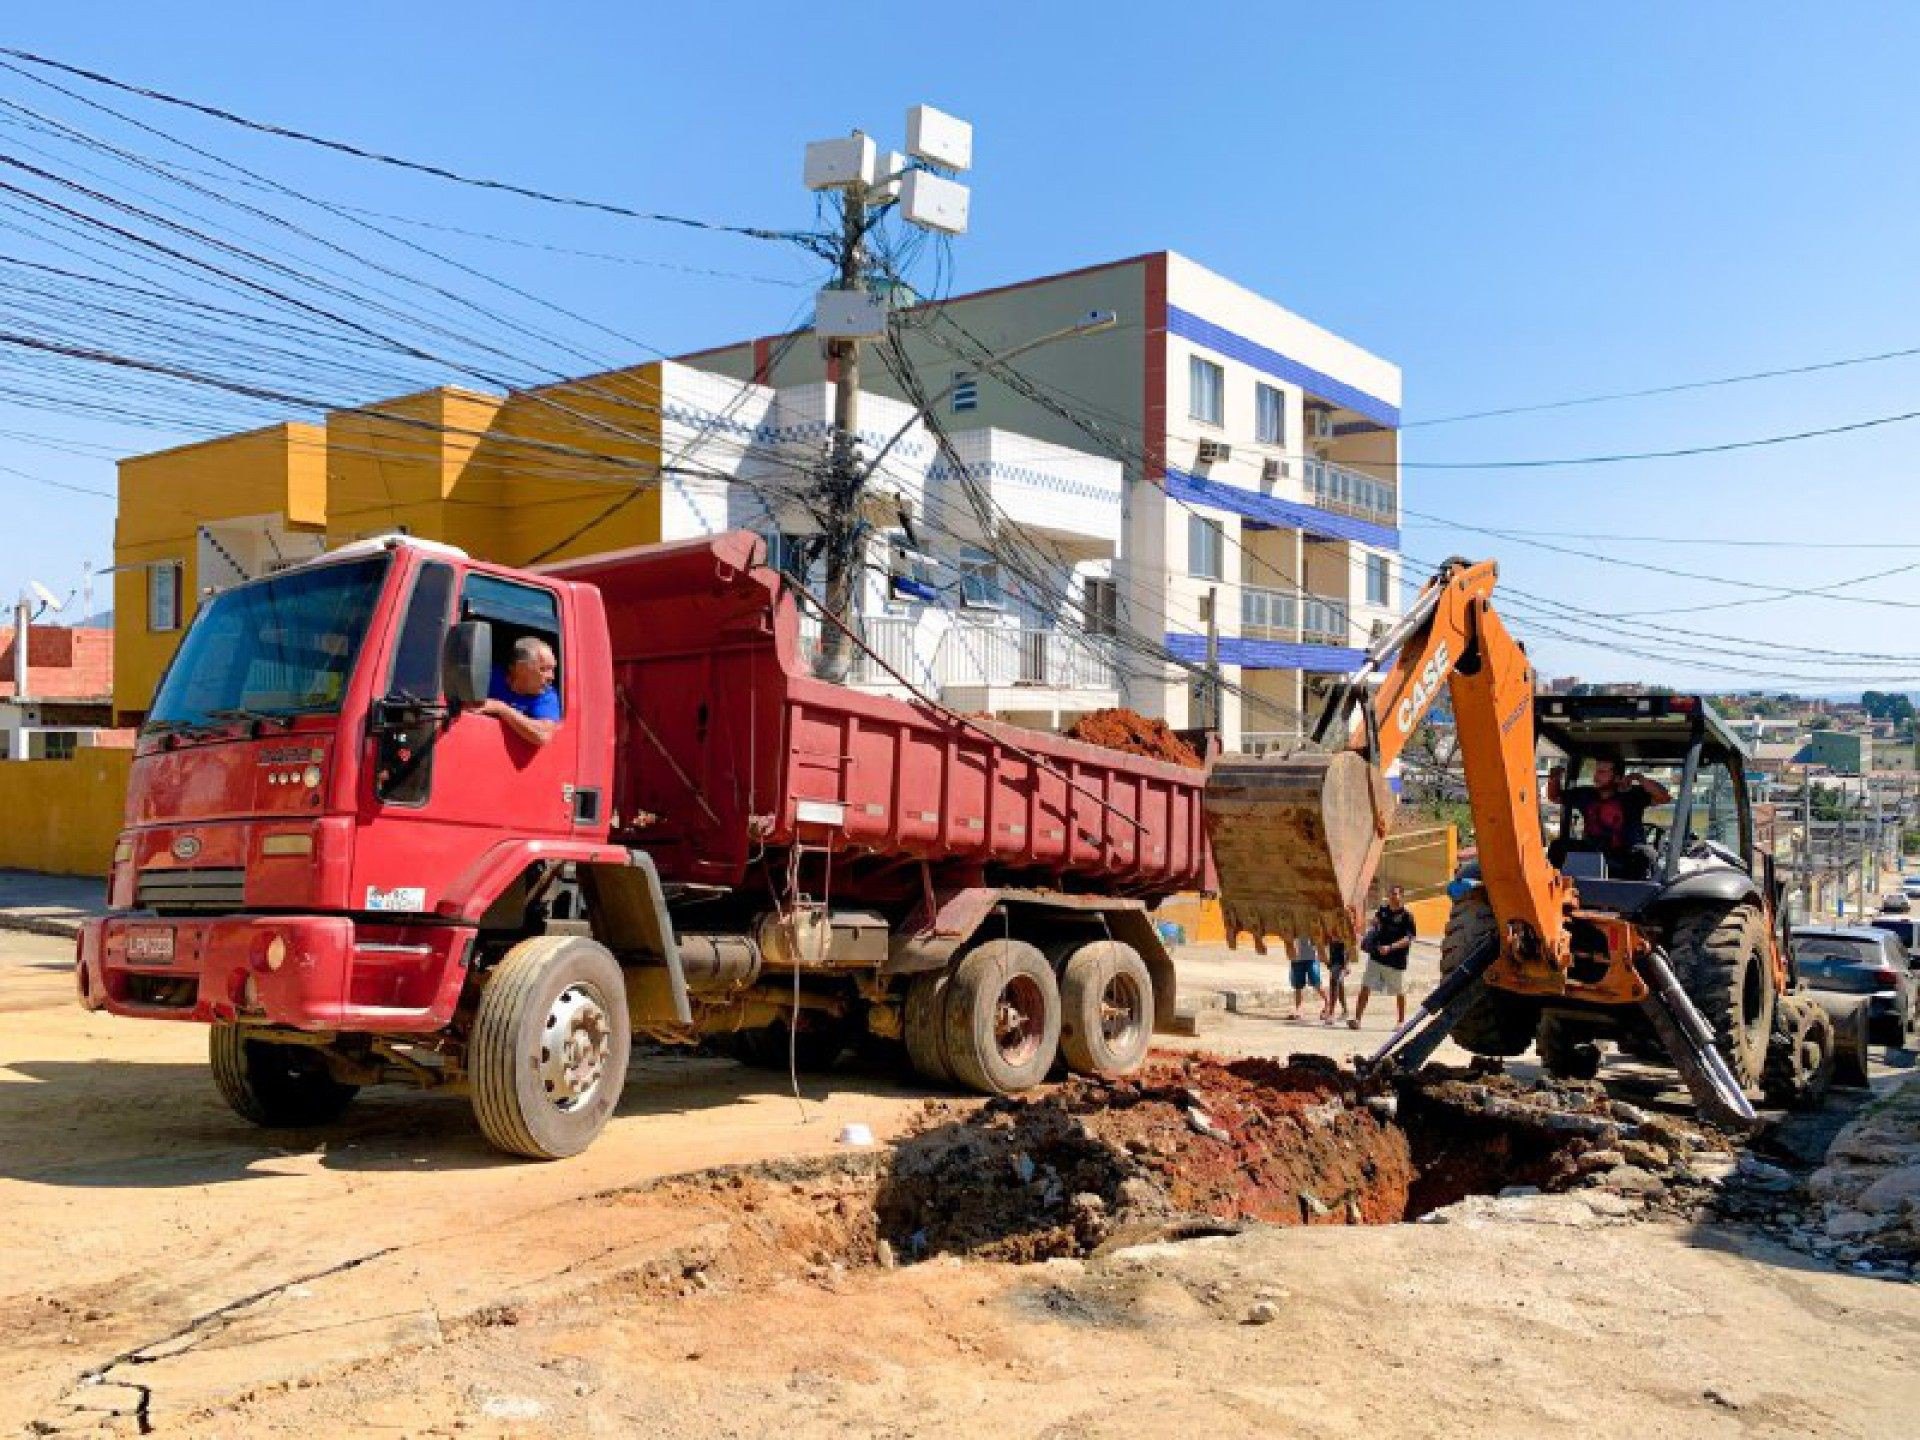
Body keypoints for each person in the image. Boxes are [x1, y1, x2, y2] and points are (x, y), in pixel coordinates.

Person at [1547, 758, 1672, 867]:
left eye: (1602, 772)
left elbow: (1664, 797)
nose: (1596, 776)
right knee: (1558, 847)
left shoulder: (1632, 795)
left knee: (1645, 854)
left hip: (1626, 854)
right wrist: (1554, 778)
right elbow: (1555, 797)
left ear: (1617, 777)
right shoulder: (1585, 794)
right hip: (1592, 851)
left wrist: (1639, 778)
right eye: (1596, 771)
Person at [1350, 885, 1417, 1030]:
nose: (1393, 897)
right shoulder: (1383, 911)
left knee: (1399, 991)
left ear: (1401, 896)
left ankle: (1400, 1022)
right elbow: (1375, 924)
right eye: (1391, 894)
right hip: (1377, 956)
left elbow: (1409, 938)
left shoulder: (1407, 916)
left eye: (1395, 894)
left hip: (1395, 960)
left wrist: (1391, 947)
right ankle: (1357, 1019)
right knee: (1365, 987)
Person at [478, 636, 561, 748]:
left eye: (552, 669)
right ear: (520, 668)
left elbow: (543, 734)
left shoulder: (546, 695)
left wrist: (501, 709)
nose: (551, 677)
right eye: (543, 669)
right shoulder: (487, 676)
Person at [1288, 934, 1326, 1021]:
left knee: (1316, 982)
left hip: (1311, 956)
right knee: (1298, 985)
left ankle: (1328, 1004)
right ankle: (1299, 1008)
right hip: (1296, 957)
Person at [1320, 936, 1351, 1026]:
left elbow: (1351, 939)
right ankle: (1345, 1010)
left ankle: (1331, 1013)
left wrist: (1347, 963)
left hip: (1342, 955)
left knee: (1334, 981)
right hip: (1333, 953)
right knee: (1338, 983)